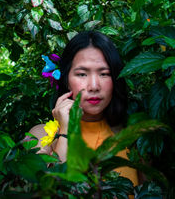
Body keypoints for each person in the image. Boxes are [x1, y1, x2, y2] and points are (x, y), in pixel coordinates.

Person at [29, 30, 138, 186]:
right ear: (66, 80)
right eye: (82, 74)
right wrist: (66, 130)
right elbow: (47, 191)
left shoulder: (133, 139)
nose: (94, 86)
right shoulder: (41, 135)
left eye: (104, 74)